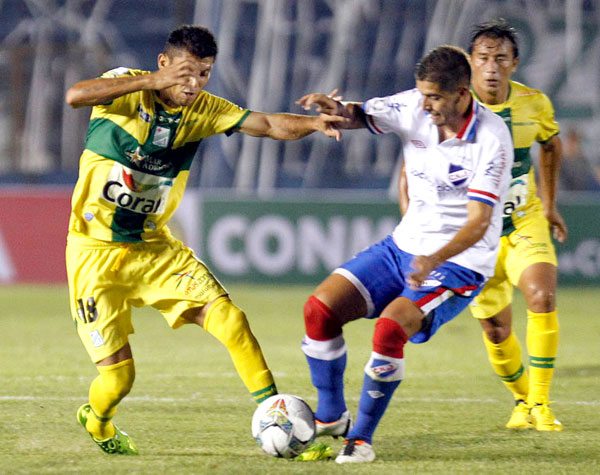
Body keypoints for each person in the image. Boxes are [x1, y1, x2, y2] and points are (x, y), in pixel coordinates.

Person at [64, 24, 343, 455]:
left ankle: (279, 421)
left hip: (155, 249)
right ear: (163, 63)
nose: (194, 83)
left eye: (204, 73)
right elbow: (76, 95)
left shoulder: (205, 110)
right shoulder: (126, 87)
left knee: (231, 319)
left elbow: (268, 123)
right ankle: (97, 422)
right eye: (185, 72)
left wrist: (314, 123)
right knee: (119, 379)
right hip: (92, 253)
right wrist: (152, 81)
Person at [295, 45, 513, 464]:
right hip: (402, 247)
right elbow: (361, 114)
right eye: (422, 94)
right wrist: (336, 110)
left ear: (462, 94)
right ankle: (331, 416)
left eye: (434, 97)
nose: (425, 105)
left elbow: (479, 223)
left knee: (390, 330)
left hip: (459, 264)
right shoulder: (414, 104)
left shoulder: (491, 138)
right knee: (318, 311)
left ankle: (360, 440)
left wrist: (434, 259)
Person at [465, 19, 568, 431]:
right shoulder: (453, 106)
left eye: (500, 59)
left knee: (542, 295)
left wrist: (551, 205)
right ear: (470, 62)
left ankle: (541, 403)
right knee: (495, 329)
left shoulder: (534, 103)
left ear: (515, 63)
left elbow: (552, 144)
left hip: (524, 221)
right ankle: (522, 400)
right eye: (483, 58)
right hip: (475, 234)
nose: (492, 67)